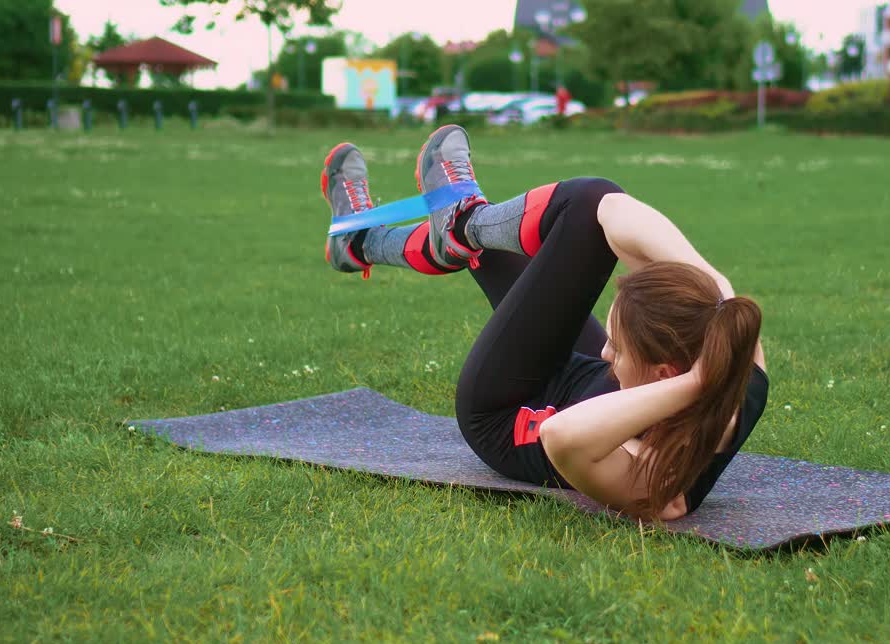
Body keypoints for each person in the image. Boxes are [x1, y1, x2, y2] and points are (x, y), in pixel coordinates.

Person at [319, 126, 768, 521]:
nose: (605, 351)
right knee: (586, 204)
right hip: (574, 373)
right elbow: (612, 210)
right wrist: (714, 282)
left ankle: (449, 227)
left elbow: (560, 435)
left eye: (619, 349)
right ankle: (369, 241)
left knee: (486, 245)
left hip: (504, 408)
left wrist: (697, 384)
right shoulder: (730, 345)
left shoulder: (658, 481)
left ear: (667, 376)